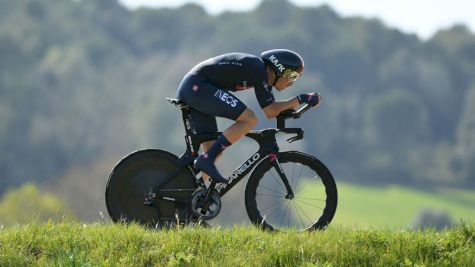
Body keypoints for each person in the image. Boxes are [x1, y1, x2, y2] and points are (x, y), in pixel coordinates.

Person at [176, 49, 320, 184]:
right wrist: (300, 99)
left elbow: (273, 110)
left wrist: (293, 107)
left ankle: (195, 193)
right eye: (292, 76)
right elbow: (270, 111)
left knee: (214, 151)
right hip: (197, 86)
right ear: (280, 69)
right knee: (249, 119)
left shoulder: (262, 77)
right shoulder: (258, 69)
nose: (292, 83)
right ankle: (206, 160)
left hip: (196, 87)